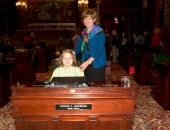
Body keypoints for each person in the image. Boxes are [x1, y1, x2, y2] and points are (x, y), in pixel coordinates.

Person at [74, 8, 106, 81]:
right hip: (85, 63)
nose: (87, 21)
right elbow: (78, 48)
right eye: (85, 18)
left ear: (94, 19)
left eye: (89, 18)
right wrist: (66, 56)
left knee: (97, 87)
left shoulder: (99, 32)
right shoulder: (83, 33)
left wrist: (88, 62)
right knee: (87, 86)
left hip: (97, 64)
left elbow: (99, 50)